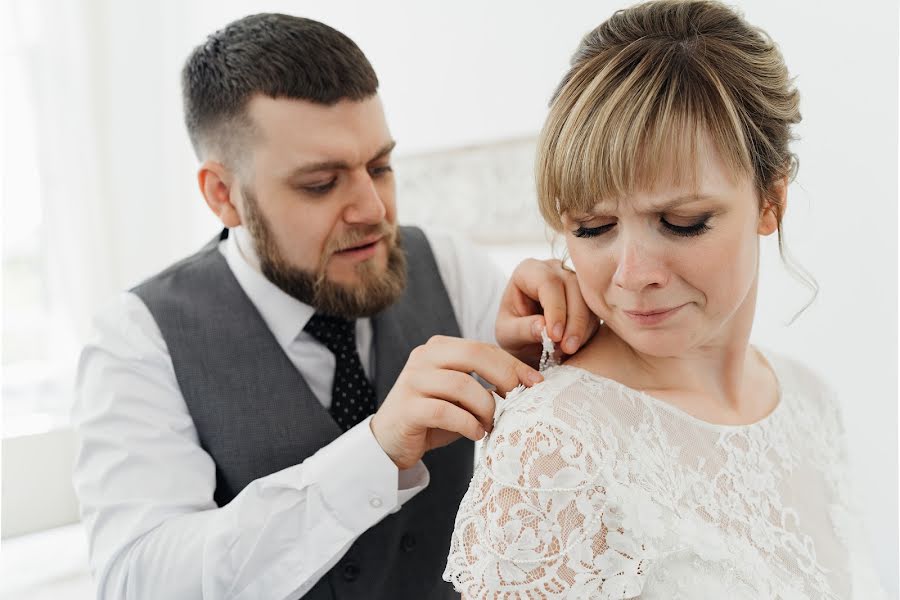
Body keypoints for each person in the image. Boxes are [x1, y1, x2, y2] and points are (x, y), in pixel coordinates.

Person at [71, 13, 597, 600]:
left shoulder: (448, 265)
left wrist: (557, 357)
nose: (373, 208)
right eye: (321, 184)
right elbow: (137, 581)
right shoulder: (138, 339)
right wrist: (373, 455)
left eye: (380, 167)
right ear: (224, 195)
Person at [443, 1, 887, 598]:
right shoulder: (555, 446)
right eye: (593, 228)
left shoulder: (810, 403)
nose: (631, 275)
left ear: (770, 200)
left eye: (682, 222)